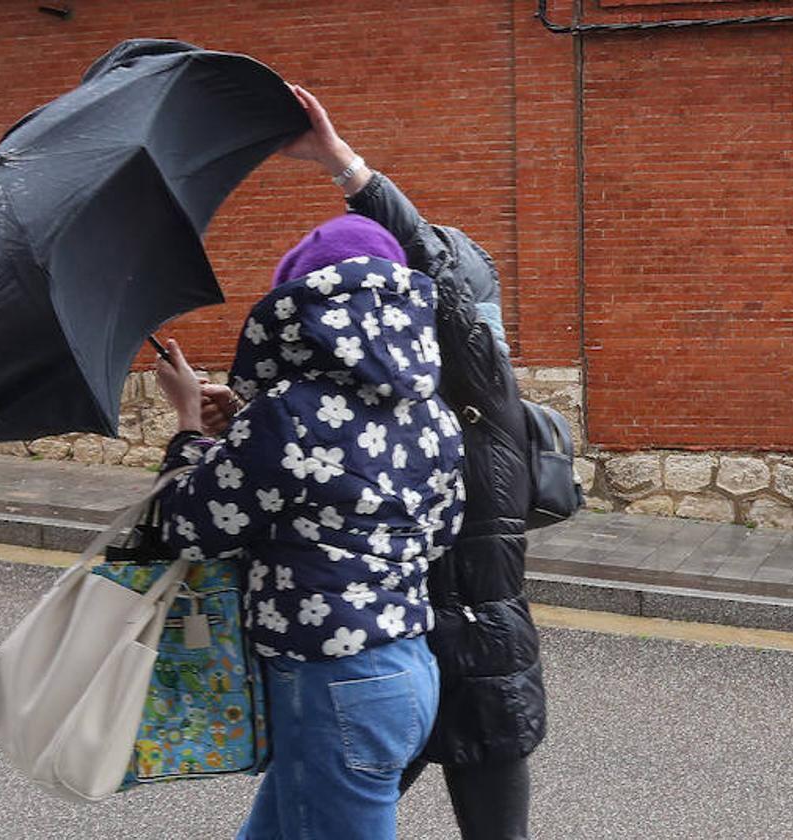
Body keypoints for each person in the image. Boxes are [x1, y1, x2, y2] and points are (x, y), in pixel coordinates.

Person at [203, 86, 546, 840]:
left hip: (460, 646)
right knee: (318, 810)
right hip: (407, 643)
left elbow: (212, 515)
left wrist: (343, 164)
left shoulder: (480, 385)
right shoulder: (421, 407)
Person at [152, 213, 465, 839]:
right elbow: (439, 529)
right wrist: (245, 422)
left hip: (332, 685)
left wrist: (190, 423)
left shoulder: (289, 415)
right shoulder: (432, 413)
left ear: (301, 314)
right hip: (407, 670)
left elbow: (187, 526)